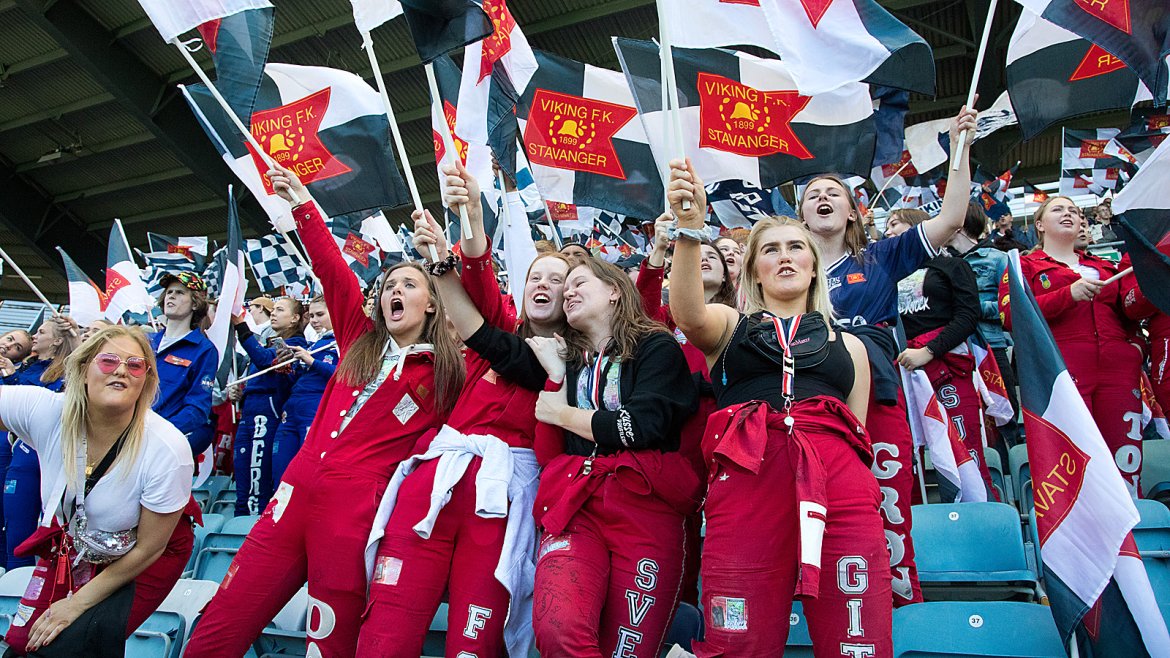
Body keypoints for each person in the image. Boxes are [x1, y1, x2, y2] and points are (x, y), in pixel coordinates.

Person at [184, 166, 464, 657]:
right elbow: (334, 272)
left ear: (435, 305)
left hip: (353, 514)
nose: (393, 291)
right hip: (293, 494)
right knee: (222, 622)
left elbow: (489, 321)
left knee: (329, 642)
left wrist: (443, 259)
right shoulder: (359, 339)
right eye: (388, 284)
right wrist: (302, 206)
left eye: (408, 284)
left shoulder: (446, 373)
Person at [668, 162, 886, 655]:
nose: (784, 258)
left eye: (795, 248)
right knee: (736, 639)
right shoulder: (729, 326)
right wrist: (688, 231)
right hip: (745, 483)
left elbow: (857, 433)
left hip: (840, 489)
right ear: (753, 270)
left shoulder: (850, 346)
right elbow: (687, 313)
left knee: (858, 639)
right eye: (770, 250)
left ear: (813, 265)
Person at [357, 162, 550, 655]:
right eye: (536, 278)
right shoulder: (495, 334)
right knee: (387, 628)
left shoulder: (586, 363)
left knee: (474, 642)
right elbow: (482, 289)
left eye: (563, 278)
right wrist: (471, 224)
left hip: (501, 501)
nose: (548, 285)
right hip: (435, 484)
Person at [798, 106, 976, 605]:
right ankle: (831, 610)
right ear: (802, 216)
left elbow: (951, 220)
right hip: (810, 404)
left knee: (889, 504)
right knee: (817, 509)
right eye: (813, 196)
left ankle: (901, 609)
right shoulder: (784, 269)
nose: (823, 198)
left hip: (877, 398)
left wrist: (960, 151)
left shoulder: (881, 256)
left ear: (853, 211)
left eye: (834, 193)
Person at [524, 255, 699, 658]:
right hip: (578, 508)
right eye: (565, 287)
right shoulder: (568, 360)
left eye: (579, 282)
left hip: (644, 512)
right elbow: (550, 453)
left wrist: (565, 413)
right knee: (557, 628)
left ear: (615, 291)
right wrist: (553, 377)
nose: (567, 291)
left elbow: (639, 427)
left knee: (626, 651)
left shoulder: (657, 346)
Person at [0, 325, 195, 654]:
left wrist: (75, 605)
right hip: (77, 537)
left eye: (135, 365)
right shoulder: (47, 411)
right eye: (108, 361)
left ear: (145, 380)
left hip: (145, 552)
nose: (121, 370)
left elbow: (148, 549)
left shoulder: (168, 448)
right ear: (83, 369)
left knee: (72, 643)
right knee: (24, 643)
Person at [999, 196, 1145, 494]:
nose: (1068, 214)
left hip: (1119, 373)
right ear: (1039, 225)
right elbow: (1011, 315)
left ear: (1081, 223)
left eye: (1074, 211)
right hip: (1061, 373)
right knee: (1074, 464)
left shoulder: (1107, 266)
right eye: (1058, 209)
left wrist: (1136, 348)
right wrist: (1069, 295)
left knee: (1126, 461)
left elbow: (1130, 314)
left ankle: (1132, 537)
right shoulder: (1022, 265)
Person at [637, 213, 736, 605]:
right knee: (682, 537)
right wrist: (661, 250)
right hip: (679, 441)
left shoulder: (745, 316)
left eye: (714, 255)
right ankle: (682, 618)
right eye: (695, 256)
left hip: (728, 436)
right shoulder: (666, 321)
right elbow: (640, 310)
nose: (705, 258)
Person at [888, 208, 997, 499]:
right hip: (903, 369)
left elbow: (967, 316)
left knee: (964, 445)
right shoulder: (887, 271)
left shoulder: (952, 266)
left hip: (947, 364)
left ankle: (979, 515)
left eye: (894, 224)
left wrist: (929, 351)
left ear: (917, 227)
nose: (887, 231)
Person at [2, 317, 79, 572]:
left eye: (42, 331)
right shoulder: (29, 368)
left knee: (24, 540)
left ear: (57, 340)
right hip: (20, 455)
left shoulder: (67, 371)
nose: (36, 335)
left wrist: (13, 380)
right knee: (11, 532)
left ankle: (17, 601)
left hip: (43, 456)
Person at [948, 202, 1019, 454]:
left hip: (990, 346)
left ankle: (1012, 477)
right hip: (953, 349)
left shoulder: (998, 258)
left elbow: (1011, 307)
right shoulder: (939, 263)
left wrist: (969, 309)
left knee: (1004, 415)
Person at [230, 297, 308, 516]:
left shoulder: (297, 345)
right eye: (273, 310)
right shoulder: (270, 342)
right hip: (249, 413)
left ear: (295, 318)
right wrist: (240, 391)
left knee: (258, 483)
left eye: (280, 310)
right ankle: (237, 535)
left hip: (266, 414)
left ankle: (250, 534)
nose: (273, 313)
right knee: (243, 482)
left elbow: (265, 360)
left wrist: (240, 325)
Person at [270, 296, 337, 487]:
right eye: (312, 315)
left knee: (307, 474)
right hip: (290, 411)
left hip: (314, 411)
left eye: (320, 315)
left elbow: (346, 376)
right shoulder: (313, 343)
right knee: (280, 474)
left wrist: (312, 361)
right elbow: (297, 380)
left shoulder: (343, 342)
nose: (314, 320)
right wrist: (285, 369)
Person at [150, 272, 218, 456]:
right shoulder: (145, 342)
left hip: (160, 444)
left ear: (195, 303)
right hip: (127, 435)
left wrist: (160, 433)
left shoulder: (204, 350)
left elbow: (197, 408)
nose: (171, 295)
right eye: (169, 291)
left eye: (180, 292)